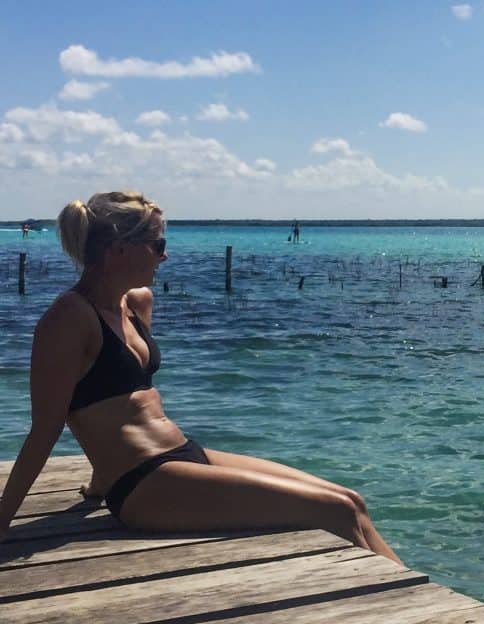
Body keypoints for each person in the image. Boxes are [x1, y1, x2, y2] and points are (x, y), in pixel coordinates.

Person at [0, 191, 399, 562]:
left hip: (186, 455)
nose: (165, 257)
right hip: (143, 485)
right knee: (336, 511)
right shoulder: (68, 319)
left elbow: (119, 400)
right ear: (119, 249)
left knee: (351, 500)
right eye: (158, 245)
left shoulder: (136, 303)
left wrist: (95, 484)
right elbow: (47, 428)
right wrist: (4, 520)